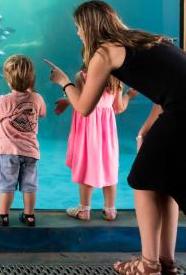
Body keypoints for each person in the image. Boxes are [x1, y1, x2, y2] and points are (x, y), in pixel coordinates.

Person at [45, 0, 186, 275]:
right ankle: (165, 263)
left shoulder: (105, 52)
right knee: (166, 184)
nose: (78, 34)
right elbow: (169, 88)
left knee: (141, 180)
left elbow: (84, 107)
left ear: (89, 26)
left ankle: (149, 265)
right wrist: (146, 130)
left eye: (78, 27)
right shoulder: (143, 42)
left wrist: (64, 83)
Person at [55, 67, 138, 221]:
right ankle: (110, 210)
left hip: (88, 128)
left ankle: (84, 210)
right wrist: (129, 95)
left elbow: (82, 102)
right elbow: (118, 108)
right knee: (109, 165)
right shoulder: (114, 77)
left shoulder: (81, 76)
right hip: (106, 130)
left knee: (87, 165)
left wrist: (68, 99)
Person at [0, 54, 46, 227]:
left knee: (7, 185)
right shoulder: (37, 98)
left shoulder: (4, 100)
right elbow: (43, 112)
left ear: (8, 81)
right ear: (31, 79)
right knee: (29, 185)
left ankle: (2, 216)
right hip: (31, 152)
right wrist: (32, 93)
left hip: (8, 152)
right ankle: (29, 216)